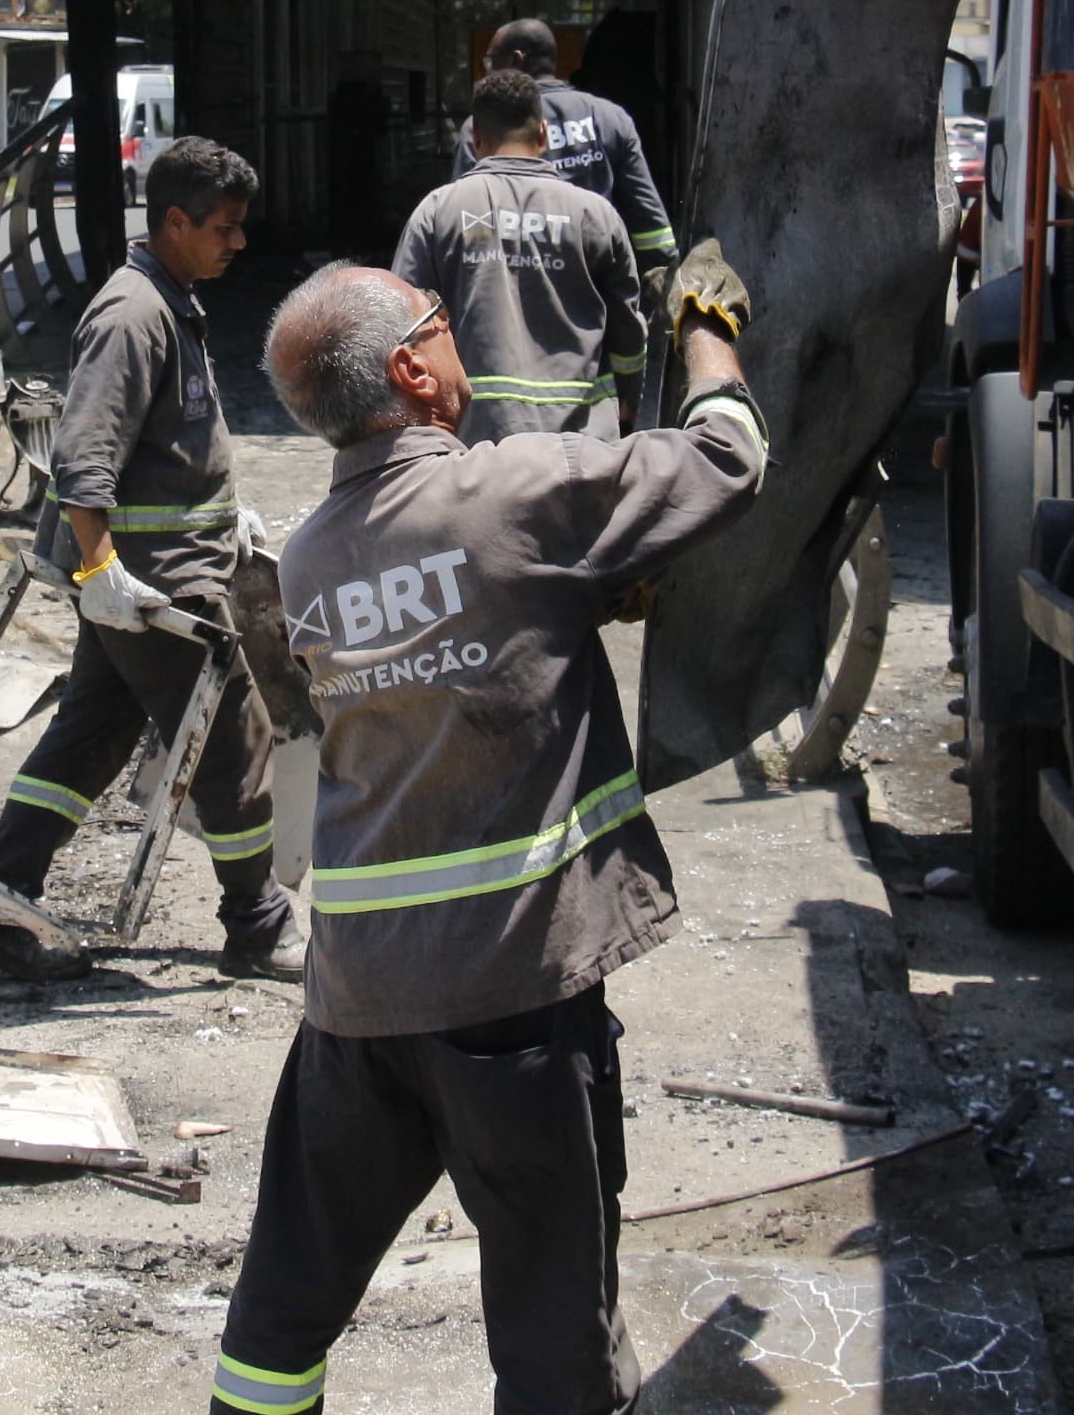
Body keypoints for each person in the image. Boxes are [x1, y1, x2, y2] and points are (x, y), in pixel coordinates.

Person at [211, 243, 767, 1415]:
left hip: (354, 999)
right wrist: (706, 330)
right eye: (441, 322)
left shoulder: (306, 560)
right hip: (508, 994)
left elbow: (357, 704)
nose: (461, 335)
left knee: (286, 1298)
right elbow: (731, 458)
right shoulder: (515, 492)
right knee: (554, 1320)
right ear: (414, 371)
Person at [0, 137, 302, 985]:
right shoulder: (131, 314)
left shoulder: (165, 298)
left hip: (156, 573)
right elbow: (84, 457)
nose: (239, 243)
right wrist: (102, 572)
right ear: (174, 221)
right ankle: (256, 926)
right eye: (224, 228)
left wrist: (224, 515)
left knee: (91, 737)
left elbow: (165, 446)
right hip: (153, 585)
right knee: (235, 743)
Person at [393, 68, 646, 443]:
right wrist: (627, 405)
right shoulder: (596, 216)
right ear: (543, 134)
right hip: (582, 443)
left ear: (475, 138)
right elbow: (627, 333)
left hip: (473, 440)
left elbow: (403, 323)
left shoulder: (438, 211)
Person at [446, 19, 674, 273]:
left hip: (512, 285)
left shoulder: (482, 127)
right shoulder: (610, 117)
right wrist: (662, 278)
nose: (487, 71)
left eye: (490, 61)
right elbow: (648, 218)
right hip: (596, 282)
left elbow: (463, 220)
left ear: (515, 60)